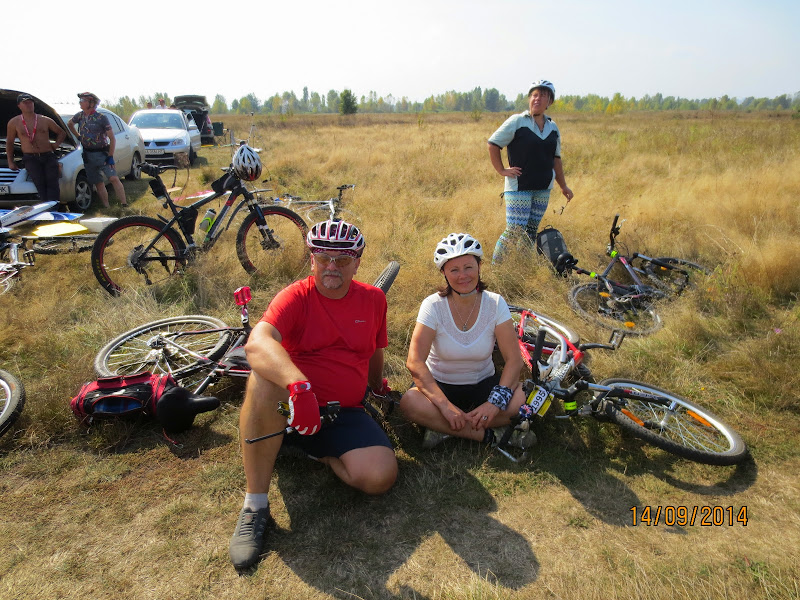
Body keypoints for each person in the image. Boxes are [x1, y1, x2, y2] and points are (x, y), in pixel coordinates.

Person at [229, 216, 398, 571]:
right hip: (290, 406)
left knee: (380, 477)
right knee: (262, 378)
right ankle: (255, 506)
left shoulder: (373, 300)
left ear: (357, 262)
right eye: (323, 258)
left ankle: (308, 449)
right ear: (312, 260)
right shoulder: (295, 296)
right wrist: (298, 386)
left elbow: (375, 351)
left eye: (342, 259)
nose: (331, 266)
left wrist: (378, 388)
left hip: (343, 411)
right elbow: (257, 342)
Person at [399, 233, 532, 449]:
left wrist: (493, 404)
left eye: (468, 267)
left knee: (525, 397)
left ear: (479, 266)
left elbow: (514, 360)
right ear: (443, 272)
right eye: (454, 270)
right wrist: (445, 407)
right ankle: (489, 436)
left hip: (485, 385)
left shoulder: (495, 303)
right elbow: (415, 362)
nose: (463, 276)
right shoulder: (433, 306)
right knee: (409, 402)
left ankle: (444, 429)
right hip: (440, 386)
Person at [488, 80, 574, 263]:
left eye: (543, 95)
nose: (537, 99)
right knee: (514, 230)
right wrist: (501, 170)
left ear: (549, 101)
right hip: (519, 187)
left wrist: (563, 186)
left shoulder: (553, 127)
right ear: (529, 99)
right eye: (534, 95)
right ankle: (496, 267)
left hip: (543, 187)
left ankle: (523, 265)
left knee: (531, 231)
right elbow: (493, 143)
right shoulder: (517, 121)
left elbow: (556, 158)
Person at [5, 93, 67, 209]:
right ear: (19, 106)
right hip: (30, 158)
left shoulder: (44, 119)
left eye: (30, 102)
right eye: (25, 103)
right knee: (40, 185)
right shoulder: (14, 122)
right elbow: (10, 142)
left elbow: (62, 133)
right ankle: (45, 211)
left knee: (52, 184)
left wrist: (55, 145)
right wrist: (10, 161)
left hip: (48, 156)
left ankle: (54, 211)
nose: (28, 105)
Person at [67, 92, 127, 208]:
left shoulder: (101, 117)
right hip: (88, 154)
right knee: (98, 182)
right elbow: (70, 123)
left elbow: (112, 138)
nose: (80, 103)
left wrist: (110, 156)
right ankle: (107, 207)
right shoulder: (80, 116)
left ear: (91, 103)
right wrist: (78, 136)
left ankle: (124, 204)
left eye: (83, 100)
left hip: (103, 153)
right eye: (80, 100)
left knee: (113, 178)